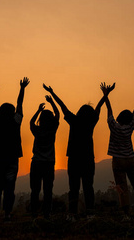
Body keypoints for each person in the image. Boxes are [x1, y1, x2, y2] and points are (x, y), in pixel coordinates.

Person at [43, 83, 106, 220]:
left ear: (79, 112)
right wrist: (105, 94)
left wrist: (52, 94)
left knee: (74, 188)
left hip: (73, 159)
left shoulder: (74, 120)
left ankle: (72, 214)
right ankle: (90, 213)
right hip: (88, 158)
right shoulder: (91, 122)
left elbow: (62, 105)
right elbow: (99, 108)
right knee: (88, 187)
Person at [101, 83, 134, 220]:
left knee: (122, 188)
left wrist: (106, 94)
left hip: (118, 161)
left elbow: (109, 110)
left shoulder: (114, 126)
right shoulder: (130, 127)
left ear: (119, 118)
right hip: (131, 159)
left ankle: (126, 214)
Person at [0, 77, 29, 222]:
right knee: (9, 188)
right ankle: (7, 214)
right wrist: (22, 88)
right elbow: (20, 104)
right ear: (12, 112)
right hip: (12, 159)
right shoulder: (16, 121)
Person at [29, 95, 60, 219]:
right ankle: (47, 213)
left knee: (35, 190)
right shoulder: (52, 130)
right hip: (49, 163)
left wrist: (38, 110)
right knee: (48, 190)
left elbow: (31, 122)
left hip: (36, 163)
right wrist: (52, 102)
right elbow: (57, 114)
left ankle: (34, 214)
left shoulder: (37, 130)